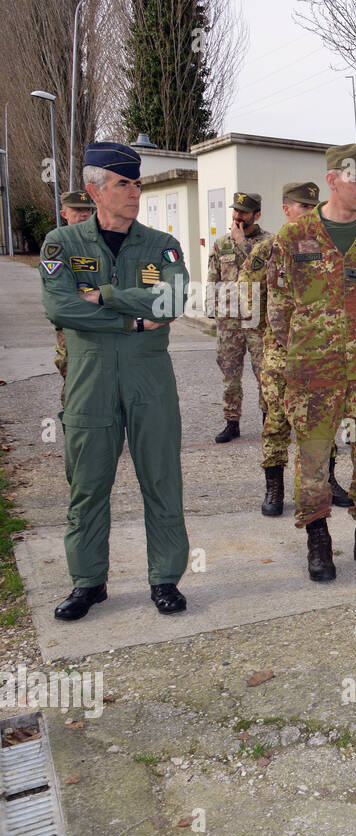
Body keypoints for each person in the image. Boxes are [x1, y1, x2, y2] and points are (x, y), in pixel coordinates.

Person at [39, 141, 189, 619]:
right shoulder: (61, 244)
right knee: (87, 484)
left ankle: (165, 579)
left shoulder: (163, 245)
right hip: (90, 381)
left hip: (151, 383)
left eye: (136, 182)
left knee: (162, 480)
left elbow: (172, 304)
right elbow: (59, 308)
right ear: (94, 190)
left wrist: (101, 297)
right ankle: (88, 582)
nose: (134, 191)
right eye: (123, 183)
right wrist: (133, 317)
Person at [265, 144, 356, 582]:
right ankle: (317, 538)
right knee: (315, 456)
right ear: (331, 180)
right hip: (313, 370)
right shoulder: (293, 237)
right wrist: (293, 358)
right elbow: (278, 305)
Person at [239, 181, 350, 516]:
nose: (310, 215)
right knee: (276, 421)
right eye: (303, 207)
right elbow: (247, 296)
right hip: (280, 354)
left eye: (313, 208)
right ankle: (275, 487)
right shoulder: (268, 250)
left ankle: (328, 480)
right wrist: (265, 337)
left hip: (321, 353)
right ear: (286, 209)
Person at [210, 191, 266, 444]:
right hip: (229, 319)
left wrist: (243, 243)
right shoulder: (221, 243)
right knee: (230, 373)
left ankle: (270, 421)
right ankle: (231, 422)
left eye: (244, 212)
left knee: (265, 373)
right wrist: (212, 308)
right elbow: (213, 276)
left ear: (257, 214)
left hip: (257, 319)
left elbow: (262, 271)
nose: (238, 216)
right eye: (236, 211)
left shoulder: (268, 242)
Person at [53, 190, 97, 399]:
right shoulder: (57, 245)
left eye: (87, 210)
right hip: (72, 324)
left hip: (103, 321)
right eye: (77, 210)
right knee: (73, 375)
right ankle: (72, 424)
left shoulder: (101, 243)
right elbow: (57, 289)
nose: (83, 215)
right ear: (64, 213)